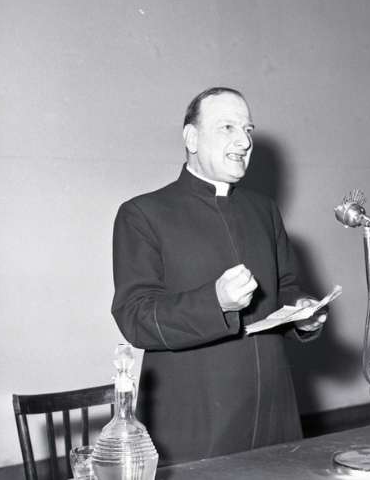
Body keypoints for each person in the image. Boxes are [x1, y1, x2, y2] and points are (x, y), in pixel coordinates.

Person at [111, 87, 328, 466]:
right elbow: (135, 317)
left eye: (248, 129)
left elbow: (285, 289)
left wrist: (303, 314)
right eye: (227, 127)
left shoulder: (264, 210)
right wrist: (215, 303)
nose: (244, 141)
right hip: (198, 421)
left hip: (275, 412)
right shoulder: (142, 214)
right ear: (191, 138)